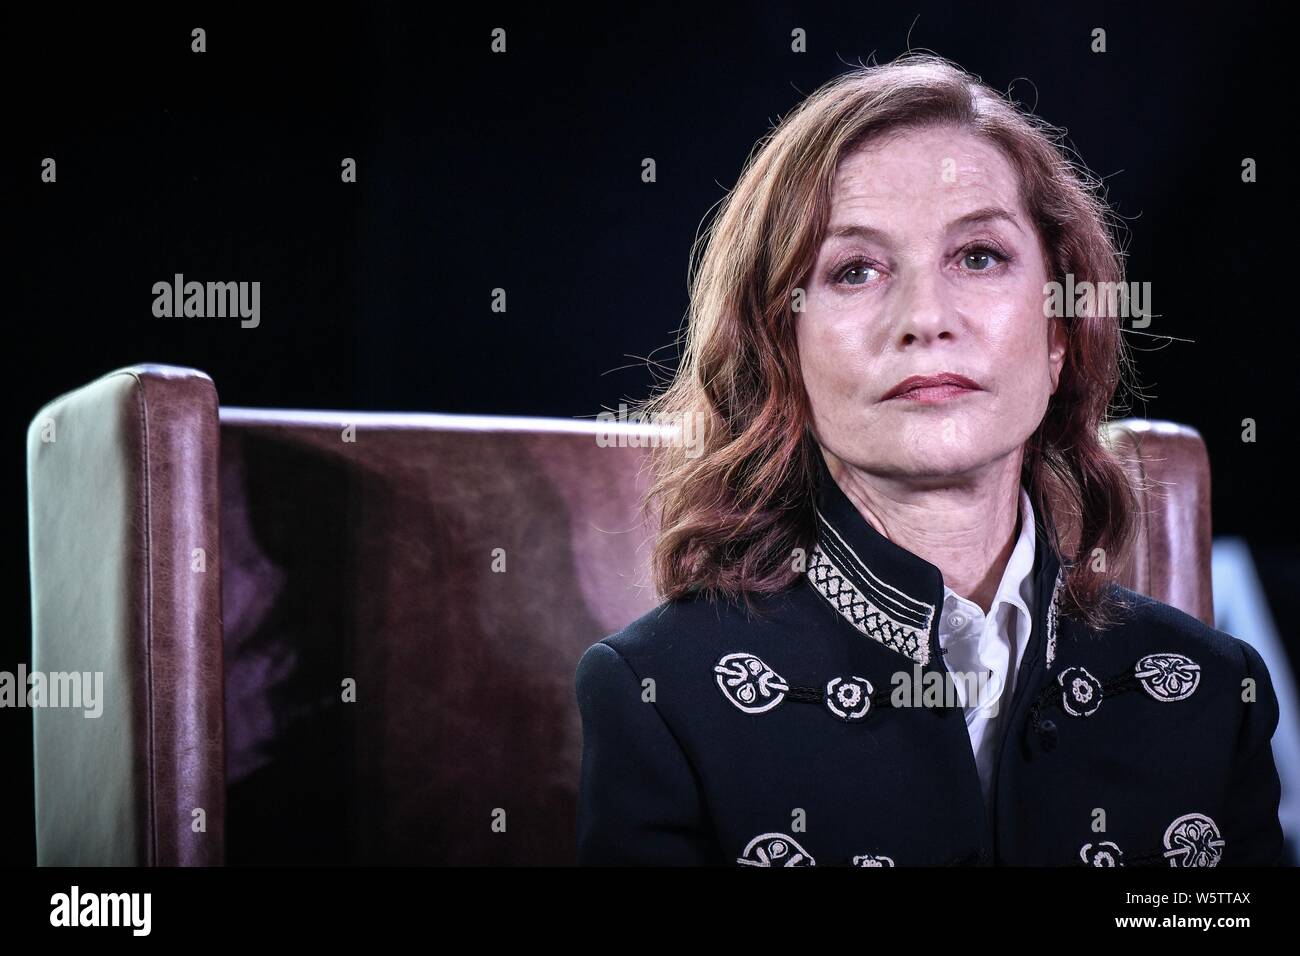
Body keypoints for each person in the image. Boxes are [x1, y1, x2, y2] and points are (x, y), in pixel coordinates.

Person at [573, 54, 1284, 866]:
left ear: (1059, 333)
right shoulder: (658, 698)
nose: (925, 318)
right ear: (782, 353)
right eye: (856, 270)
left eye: (978, 257)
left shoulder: (1215, 691)